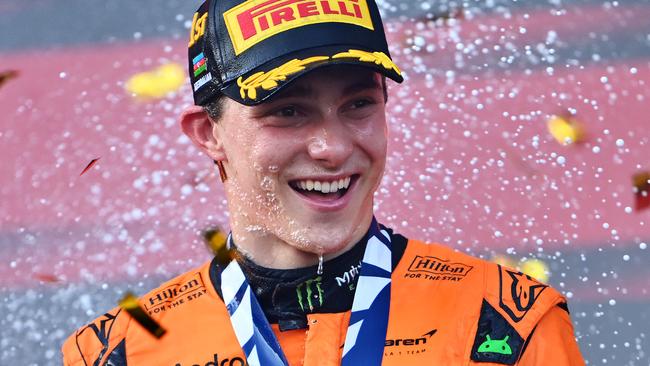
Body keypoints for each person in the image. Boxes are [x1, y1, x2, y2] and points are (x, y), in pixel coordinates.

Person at [62, 0, 586, 364]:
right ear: (208, 133)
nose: (332, 147)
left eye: (359, 104)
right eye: (288, 111)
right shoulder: (119, 351)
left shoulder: (505, 323)